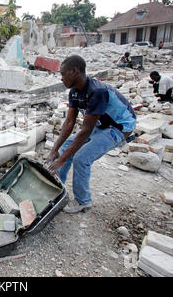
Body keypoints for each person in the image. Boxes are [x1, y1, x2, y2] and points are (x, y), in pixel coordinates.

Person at [47, 55, 137, 214]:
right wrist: (55, 150)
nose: (61, 78)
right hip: (101, 124)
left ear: (74, 71)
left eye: (62, 74)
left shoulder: (97, 92)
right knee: (66, 148)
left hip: (118, 127)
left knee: (81, 157)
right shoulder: (74, 91)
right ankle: (56, 191)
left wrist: (61, 160)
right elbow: (69, 122)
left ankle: (83, 201)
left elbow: (85, 130)